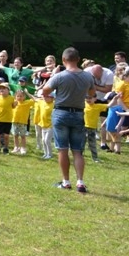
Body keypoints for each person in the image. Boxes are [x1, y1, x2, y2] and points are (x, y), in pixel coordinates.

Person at [42, 47, 95, 193]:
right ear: (78, 59)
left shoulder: (60, 76)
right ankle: (80, 182)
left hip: (61, 113)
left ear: (64, 60)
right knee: (78, 151)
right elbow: (92, 93)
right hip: (78, 113)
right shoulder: (88, 77)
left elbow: (45, 90)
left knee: (62, 150)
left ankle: (66, 182)